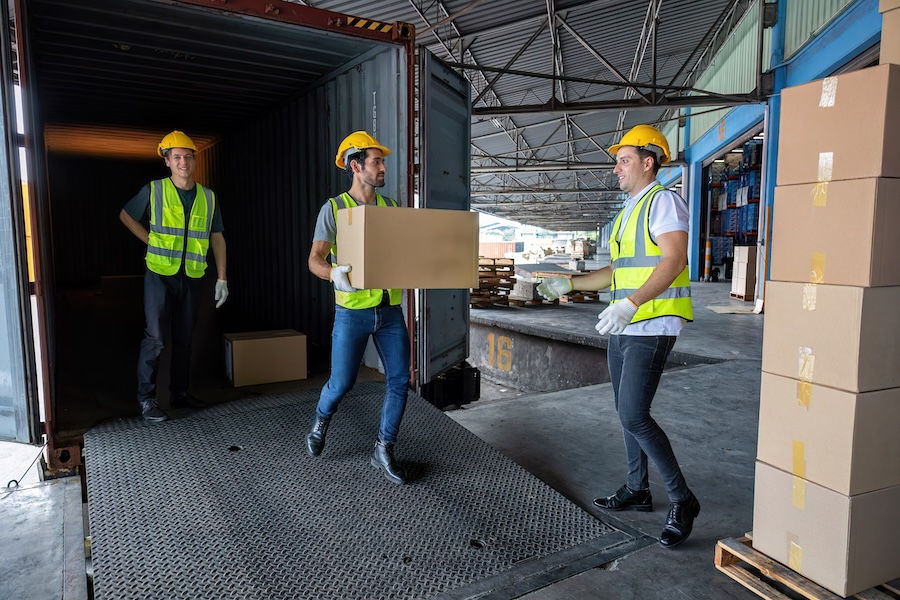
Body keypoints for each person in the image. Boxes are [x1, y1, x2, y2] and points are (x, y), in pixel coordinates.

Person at [537, 124, 700, 548]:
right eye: (617, 161)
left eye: (623, 160)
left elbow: (674, 259)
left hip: (653, 322)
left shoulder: (663, 202)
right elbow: (615, 271)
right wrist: (570, 284)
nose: (616, 168)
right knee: (626, 411)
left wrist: (632, 304)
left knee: (633, 414)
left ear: (649, 162)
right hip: (626, 325)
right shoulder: (629, 211)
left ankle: (683, 499)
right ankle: (638, 488)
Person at [305, 131, 411, 485]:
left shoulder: (392, 208)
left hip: (390, 309)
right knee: (342, 382)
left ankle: (383, 449)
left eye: (382, 162)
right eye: (376, 162)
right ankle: (322, 418)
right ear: (356, 165)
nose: (383, 168)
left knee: (399, 380)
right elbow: (315, 260)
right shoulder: (334, 209)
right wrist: (332, 273)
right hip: (352, 311)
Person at [119, 130, 228, 423]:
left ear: (194, 160)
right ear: (167, 161)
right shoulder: (155, 190)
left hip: (191, 275)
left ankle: (180, 393)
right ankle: (146, 400)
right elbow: (126, 216)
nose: (183, 162)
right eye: (177, 157)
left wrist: (222, 278)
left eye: (188, 157)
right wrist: (150, 241)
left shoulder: (208, 197)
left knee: (185, 338)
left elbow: (217, 237)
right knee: (155, 338)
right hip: (159, 274)